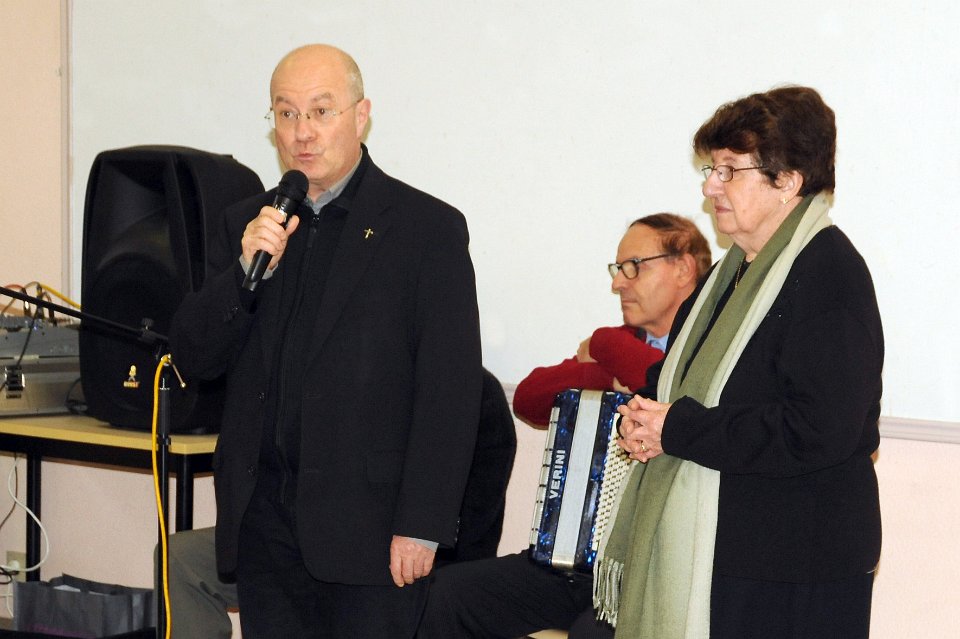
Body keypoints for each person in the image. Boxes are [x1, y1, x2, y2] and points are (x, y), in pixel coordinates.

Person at [168, 44, 482, 638]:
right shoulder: (249, 224)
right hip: (264, 527)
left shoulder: (425, 229)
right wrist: (243, 273)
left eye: (321, 111)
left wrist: (422, 525)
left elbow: (450, 392)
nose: (302, 132)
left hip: (372, 532)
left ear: (361, 116)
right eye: (286, 113)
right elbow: (195, 356)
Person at [606, 86, 883, 638]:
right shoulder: (727, 276)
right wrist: (639, 419)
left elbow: (819, 429)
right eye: (711, 169)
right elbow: (673, 382)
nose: (710, 186)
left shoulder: (829, 274)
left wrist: (675, 429)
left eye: (729, 170)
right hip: (729, 558)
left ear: (788, 181)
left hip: (795, 567)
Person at [417, 213, 711, 639]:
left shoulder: (703, 354)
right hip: (575, 562)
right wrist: (604, 372)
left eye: (634, 266)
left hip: (650, 574)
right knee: (445, 594)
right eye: (617, 269)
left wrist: (606, 344)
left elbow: (668, 387)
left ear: (683, 268)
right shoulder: (620, 349)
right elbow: (530, 398)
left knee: (592, 632)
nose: (618, 283)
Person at [162, 369, 517, 639]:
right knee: (182, 557)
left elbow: (472, 533)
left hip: (393, 569)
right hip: (300, 541)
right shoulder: (329, 370)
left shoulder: (472, 393)